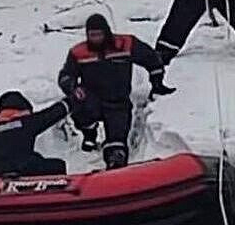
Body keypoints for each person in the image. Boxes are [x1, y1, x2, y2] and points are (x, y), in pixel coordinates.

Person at [58, 14, 176, 169]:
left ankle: (115, 163)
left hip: (118, 100)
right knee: (80, 109)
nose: (96, 39)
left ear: (106, 32)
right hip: (91, 98)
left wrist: (157, 84)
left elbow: (151, 59)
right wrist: (73, 87)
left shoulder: (126, 44)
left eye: (99, 34)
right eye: (92, 35)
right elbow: (65, 75)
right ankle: (89, 135)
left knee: (117, 137)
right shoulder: (78, 52)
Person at [0, 90, 71, 177]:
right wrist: (70, 102)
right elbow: (50, 115)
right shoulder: (25, 122)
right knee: (58, 165)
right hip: (24, 169)